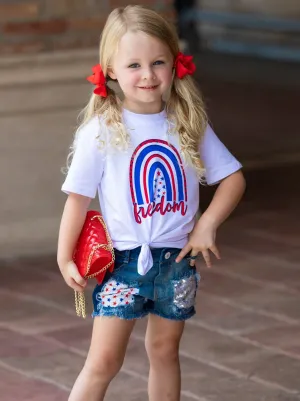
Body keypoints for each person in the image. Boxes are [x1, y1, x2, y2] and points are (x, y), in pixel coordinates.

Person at [57, 5, 246, 401]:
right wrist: (64, 257)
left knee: (164, 351)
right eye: (134, 65)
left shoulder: (186, 121)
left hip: (177, 262)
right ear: (110, 70)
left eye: (158, 62)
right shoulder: (102, 131)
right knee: (104, 361)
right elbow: (77, 199)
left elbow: (232, 178)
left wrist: (207, 222)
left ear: (175, 64)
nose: (147, 74)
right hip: (125, 264)